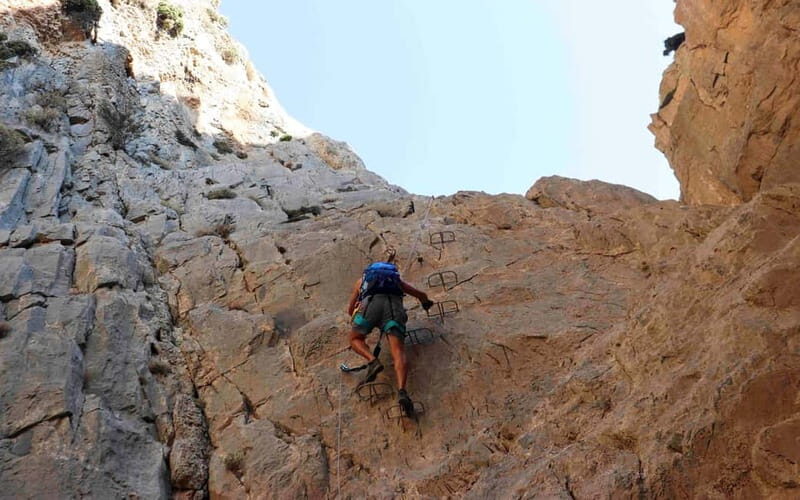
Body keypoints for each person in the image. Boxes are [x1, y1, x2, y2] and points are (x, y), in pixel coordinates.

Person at [346, 253, 433, 415]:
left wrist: (358, 316)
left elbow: (350, 310)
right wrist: (426, 302)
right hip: (393, 308)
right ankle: (402, 391)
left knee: (355, 339)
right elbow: (420, 295)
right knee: (398, 351)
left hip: (369, 306)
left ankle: (372, 360)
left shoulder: (362, 281)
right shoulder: (395, 281)